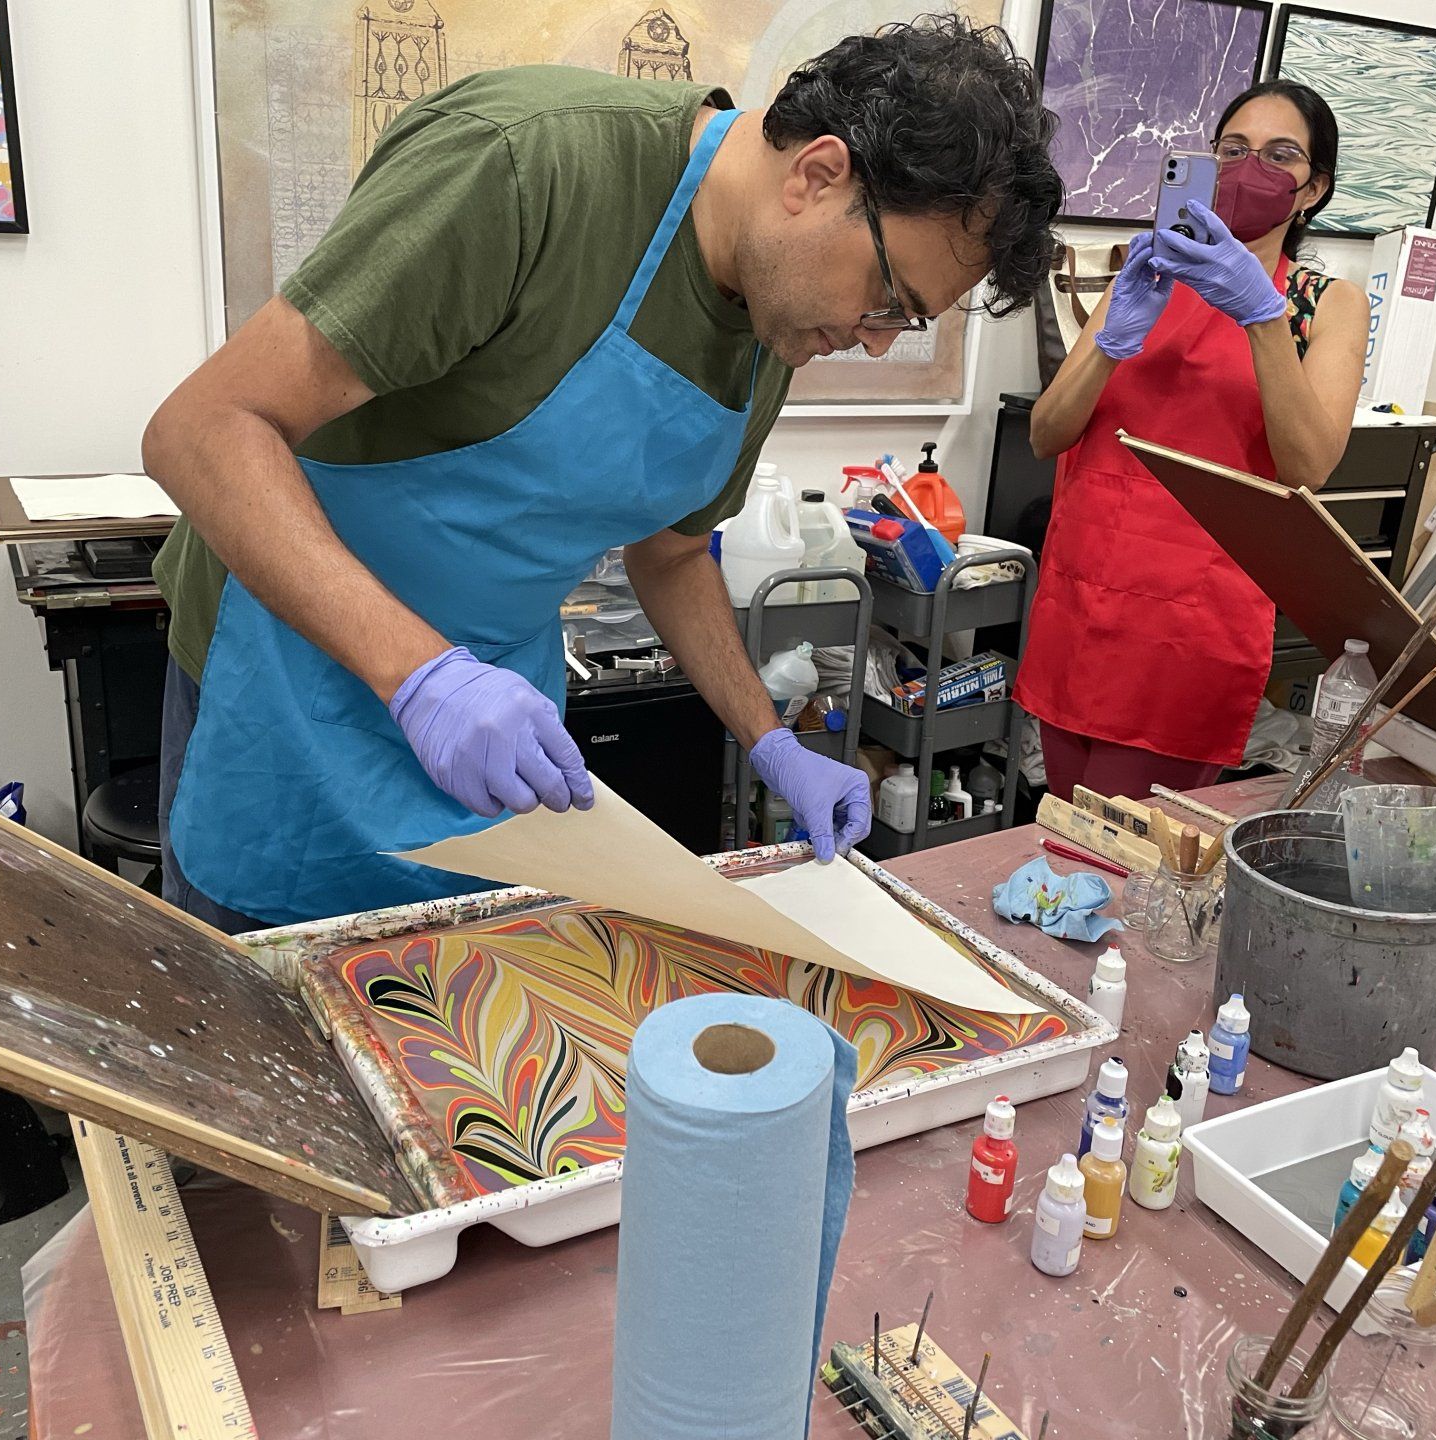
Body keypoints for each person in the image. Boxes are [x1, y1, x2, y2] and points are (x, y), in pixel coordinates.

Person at [143, 17, 1063, 932]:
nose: (870, 339)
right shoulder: (523, 166)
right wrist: (424, 677)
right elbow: (202, 429)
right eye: (886, 300)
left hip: (497, 716)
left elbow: (671, 557)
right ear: (816, 176)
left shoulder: (775, 316)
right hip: (292, 680)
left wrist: (771, 741)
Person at [1016, 80, 1365, 800]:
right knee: (1057, 840)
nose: (1250, 168)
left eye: (1280, 155)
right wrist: (1111, 343)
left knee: (1126, 862)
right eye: (1233, 150)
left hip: (1188, 630)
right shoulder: (1142, 274)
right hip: (1081, 607)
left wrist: (1263, 317)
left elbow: (1309, 469)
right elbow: (1047, 435)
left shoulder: (1323, 306)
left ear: (1313, 189)